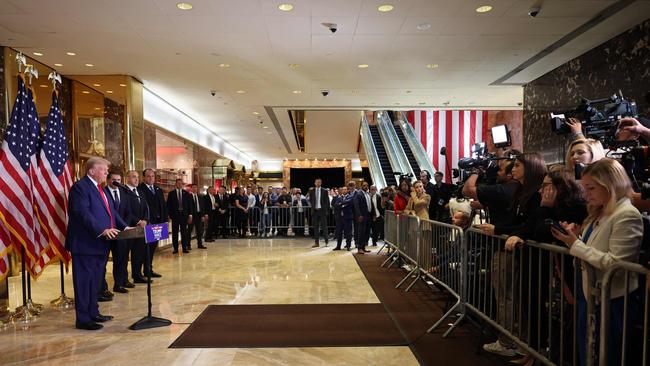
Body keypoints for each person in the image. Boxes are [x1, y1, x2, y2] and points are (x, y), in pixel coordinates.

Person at [551, 158, 642, 366]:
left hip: (613, 300)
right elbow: (593, 250)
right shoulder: (600, 212)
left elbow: (617, 263)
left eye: (591, 188)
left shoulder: (627, 215)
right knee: (588, 352)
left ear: (610, 185)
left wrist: (577, 245)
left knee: (605, 355)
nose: (586, 194)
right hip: (591, 295)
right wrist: (573, 240)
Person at [66, 157, 129, 330]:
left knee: (95, 281)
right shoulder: (80, 187)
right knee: (84, 282)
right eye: (103, 170)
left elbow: (112, 213)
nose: (107, 173)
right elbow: (81, 213)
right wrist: (102, 230)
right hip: (86, 243)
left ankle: (93, 312)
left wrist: (126, 227)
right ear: (92, 171)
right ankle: (83, 319)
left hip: (101, 244)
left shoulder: (102, 190)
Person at [137, 168, 166, 278]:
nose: (151, 178)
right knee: (144, 249)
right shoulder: (140, 189)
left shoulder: (158, 189)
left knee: (152, 248)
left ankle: (149, 269)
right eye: (148, 176)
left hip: (158, 224)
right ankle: (139, 273)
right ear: (144, 177)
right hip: (148, 223)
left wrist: (164, 220)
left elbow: (163, 205)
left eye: (152, 176)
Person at [124, 170, 149, 286]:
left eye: (137, 177)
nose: (136, 179)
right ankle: (123, 280)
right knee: (124, 255)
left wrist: (145, 220)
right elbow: (125, 210)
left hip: (141, 229)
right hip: (129, 227)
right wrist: (138, 221)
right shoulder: (123, 191)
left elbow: (145, 208)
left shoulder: (140, 192)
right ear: (127, 178)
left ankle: (137, 275)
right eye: (134, 177)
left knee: (138, 253)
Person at [167, 179, 192, 253]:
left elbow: (189, 205)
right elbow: (168, 205)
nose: (179, 185)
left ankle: (184, 248)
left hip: (184, 216)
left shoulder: (186, 193)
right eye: (178, 183)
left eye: (181, 183)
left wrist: (190, 215)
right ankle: (175, 248)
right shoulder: (171, 193)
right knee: (175, 233)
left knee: (184, 232)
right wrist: (169, 215)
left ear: (182, 184)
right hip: (175, 216)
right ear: (176, 184)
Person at [309, 178, 330, 247]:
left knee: (324, 227)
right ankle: (316, 243)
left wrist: (327, 211)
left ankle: (326, 241)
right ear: (315, 183)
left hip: (322, 211)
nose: (318, 183)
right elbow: (311, 200)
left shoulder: (324, 191)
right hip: (315, 211)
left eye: (319, 182)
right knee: (316, 228)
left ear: (321, 183)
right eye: (317, 182)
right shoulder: (312, 191)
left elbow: (327, 202)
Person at [352, 181, 372, 254]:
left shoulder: (368, 194)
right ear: (361, 186)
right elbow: (356, 205)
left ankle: (363, 247)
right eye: (364, 185)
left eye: (367, 185)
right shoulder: (358, 193)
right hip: (362, 216)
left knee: (366, 232)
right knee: (361, 232)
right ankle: (359, 248)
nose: (366, 186)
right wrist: (359, 215)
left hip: (368, 215)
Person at [332, 186, 354, 251]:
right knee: (339, 233)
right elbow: (335, 205)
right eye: (343, 189)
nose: (344, 191)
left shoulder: (350, 196)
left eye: (345, 189)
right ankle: (338, 246)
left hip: (347, 218)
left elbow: (348, 202)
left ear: (347, 190)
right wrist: (342, 204)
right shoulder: (339, 197)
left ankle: (348, 246)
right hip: (339, 218)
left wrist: (340, 204)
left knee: (348, 233)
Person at [188, 184, 207, 249]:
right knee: (189, 230)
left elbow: (203, 207)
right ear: (191, 189)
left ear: (197, 188)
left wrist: (203, 215)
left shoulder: (200, 196)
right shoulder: (188, 197)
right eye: (193, 187)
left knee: (199, 231)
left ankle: (200, 244)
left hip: (199, 215)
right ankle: (188, 245)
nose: (194, 189)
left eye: (196, 187)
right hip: (192, 216)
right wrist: (189, 215)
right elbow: (187, 207)